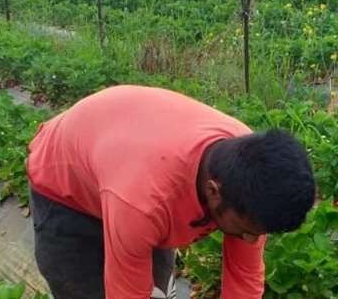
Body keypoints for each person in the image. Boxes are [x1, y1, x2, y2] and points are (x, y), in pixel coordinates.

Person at [26, 85, 316, 299]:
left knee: (158, 288)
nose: (251, 239)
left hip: (125, 165)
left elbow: (244, 279)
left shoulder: (250, 173)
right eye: (245, 231)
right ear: (214, 191)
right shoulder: (145, 201)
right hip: (65, 189)